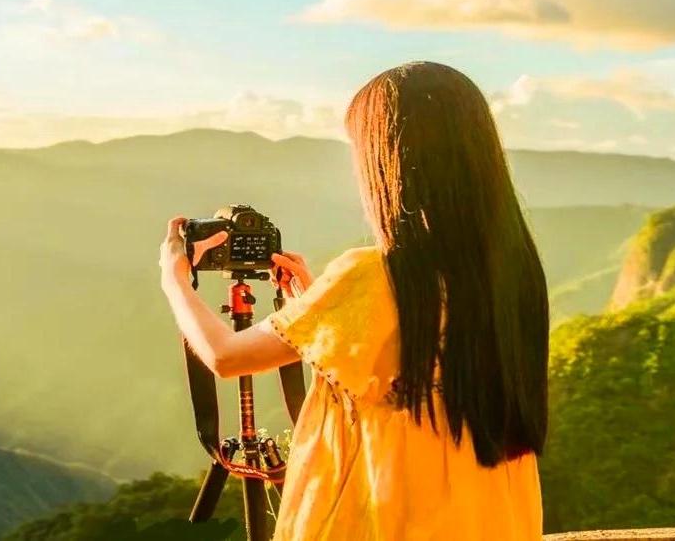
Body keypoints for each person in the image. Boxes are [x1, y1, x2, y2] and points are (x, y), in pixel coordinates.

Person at [159, 61, 548, 540]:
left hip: (389, 511)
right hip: (486, 512)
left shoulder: (371, 273)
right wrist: (318, 309)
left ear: (393, 161)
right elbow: (409, 353)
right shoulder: (512, 272)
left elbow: (226, 357)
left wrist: (175, 276)